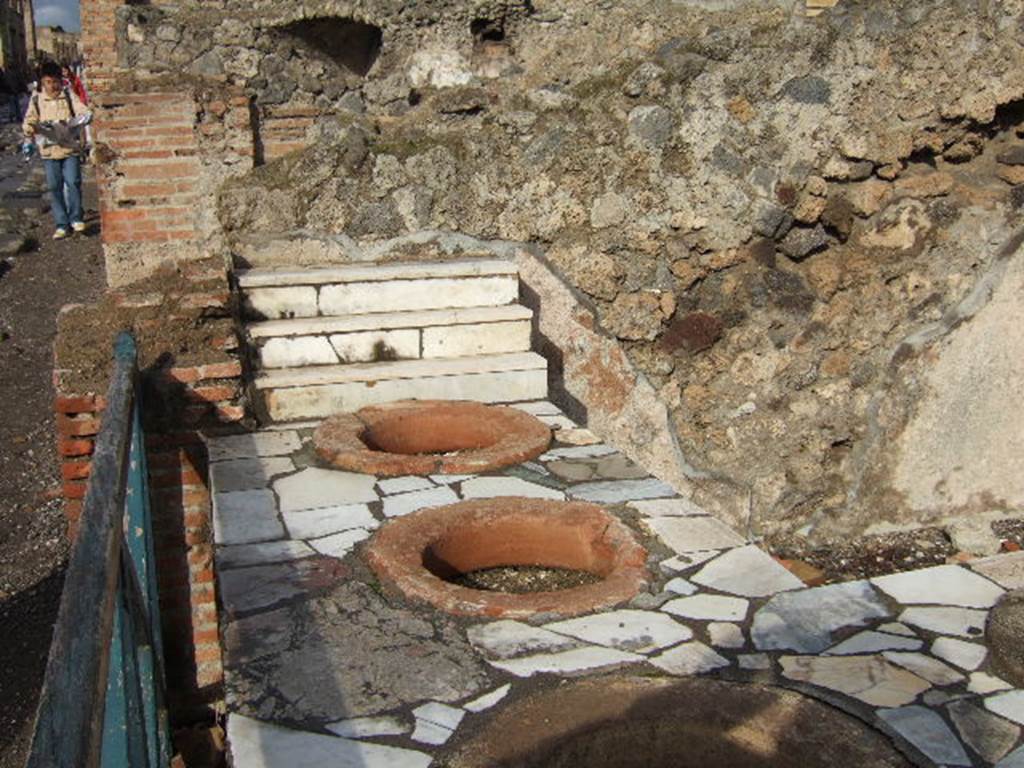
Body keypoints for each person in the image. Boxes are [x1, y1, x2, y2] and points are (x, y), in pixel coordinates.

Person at [22, 62, 91, 239]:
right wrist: (29, 131)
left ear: (60, 81)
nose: (52, 86)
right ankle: (61, 223)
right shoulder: (37, 99)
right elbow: (29, 119)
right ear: (42, 82)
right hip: (49, 151)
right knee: (54, 187)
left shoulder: (68, 95)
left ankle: (76, 217)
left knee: (73, 182)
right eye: (48, 82)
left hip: (69, 149)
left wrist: (85, 116)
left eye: (55, 82)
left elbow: (81, 109)